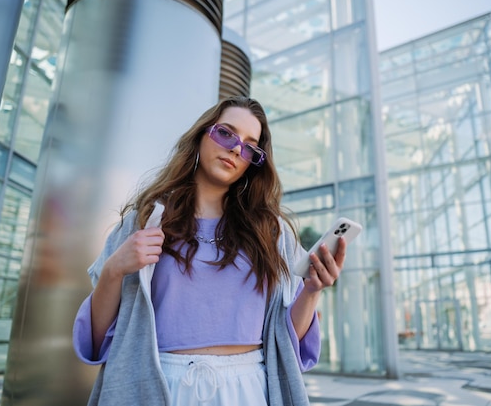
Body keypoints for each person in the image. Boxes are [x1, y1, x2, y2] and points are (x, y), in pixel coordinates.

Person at [73, 96, 346, 405]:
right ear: (202, 135)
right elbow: (96, 342)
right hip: (160, 389)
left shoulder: (271, 233)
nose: (234, 148)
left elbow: (286, 345)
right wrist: (113, 269)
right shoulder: (145, 220)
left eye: (249, 147)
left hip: (247, 391)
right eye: (226, 133)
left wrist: (311, 290)